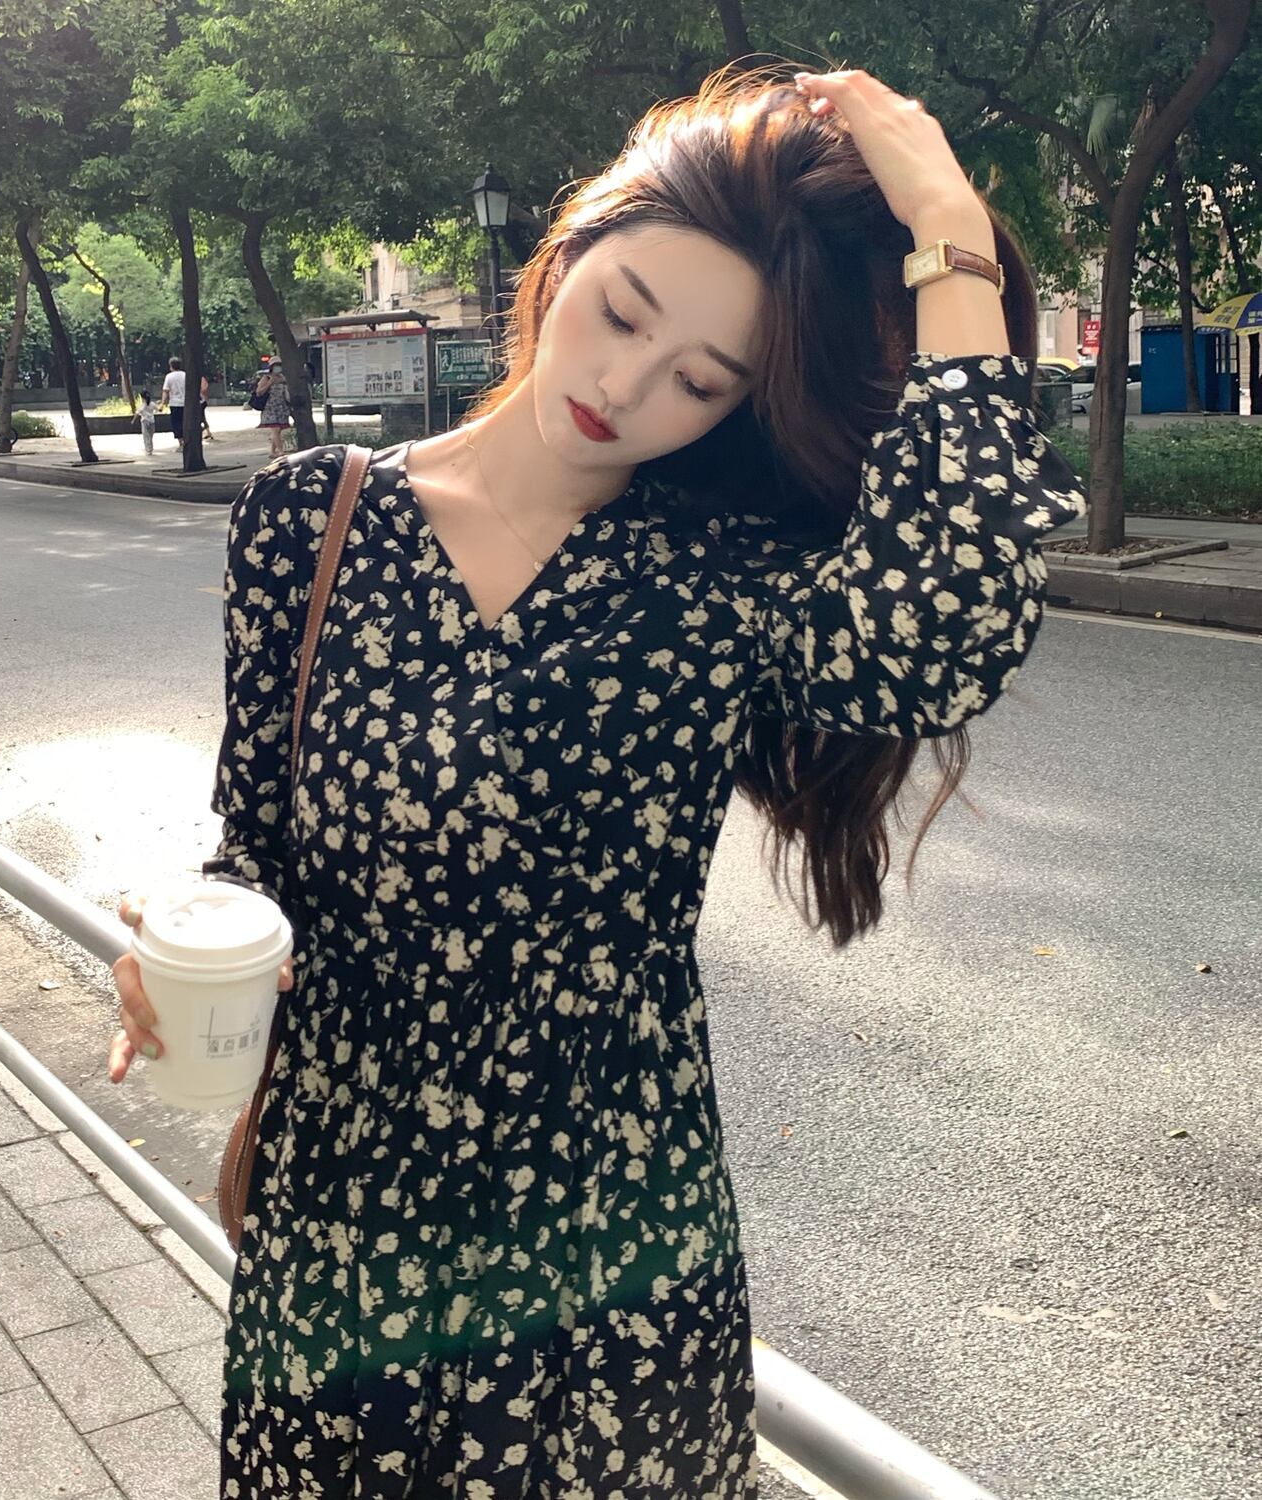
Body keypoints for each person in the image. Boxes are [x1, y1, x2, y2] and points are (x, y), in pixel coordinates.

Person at [107, 64, 1088, 1497]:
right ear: (567, 255)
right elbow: (256, 843)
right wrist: (189, 950)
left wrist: (948, 232)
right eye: (624, 315)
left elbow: (945, 635)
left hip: (606, 1264)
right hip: (337, 1241)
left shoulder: (720, 578)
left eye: (700, 381)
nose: (627, 389)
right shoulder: (309, 521)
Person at [257, 357, 291, 457]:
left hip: (281, 407)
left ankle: (272, 451)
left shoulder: (283, 378)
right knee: (275, 429)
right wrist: (269, 383)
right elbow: (259, 392)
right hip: (270, 407)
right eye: (276, 365)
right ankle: (280, 451)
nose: (278, 367)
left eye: (279, 365)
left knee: (278, 430)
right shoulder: (266, 378)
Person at [159, 356, 185, 446]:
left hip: (174, 403)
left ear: (171, 366)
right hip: (185, 404)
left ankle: (181, 442)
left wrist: (162, 404)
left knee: (176, 423)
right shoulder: (185, 375)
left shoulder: (169, 377)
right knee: (185, 422)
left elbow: (166, 391)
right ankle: (186, 441)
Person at [134, 389, 158, 456]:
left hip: (144, 421)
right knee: (150, 436)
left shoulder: (142, 405)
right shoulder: (152, 404)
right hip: (152, 421)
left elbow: (137, 413)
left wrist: (133, 420)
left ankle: (148, 450)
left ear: (142, 397)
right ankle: (150, 449)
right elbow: (158, 409)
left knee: (146, 436)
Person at [199, 372, 213, 440]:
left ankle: (204, 431)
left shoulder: (199, 378)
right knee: (202, 417)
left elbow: (204, 388)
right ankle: (208, 432)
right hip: (202, 400)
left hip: (200, 401)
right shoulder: (202, 378)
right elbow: (205, 387)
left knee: (200, 418)